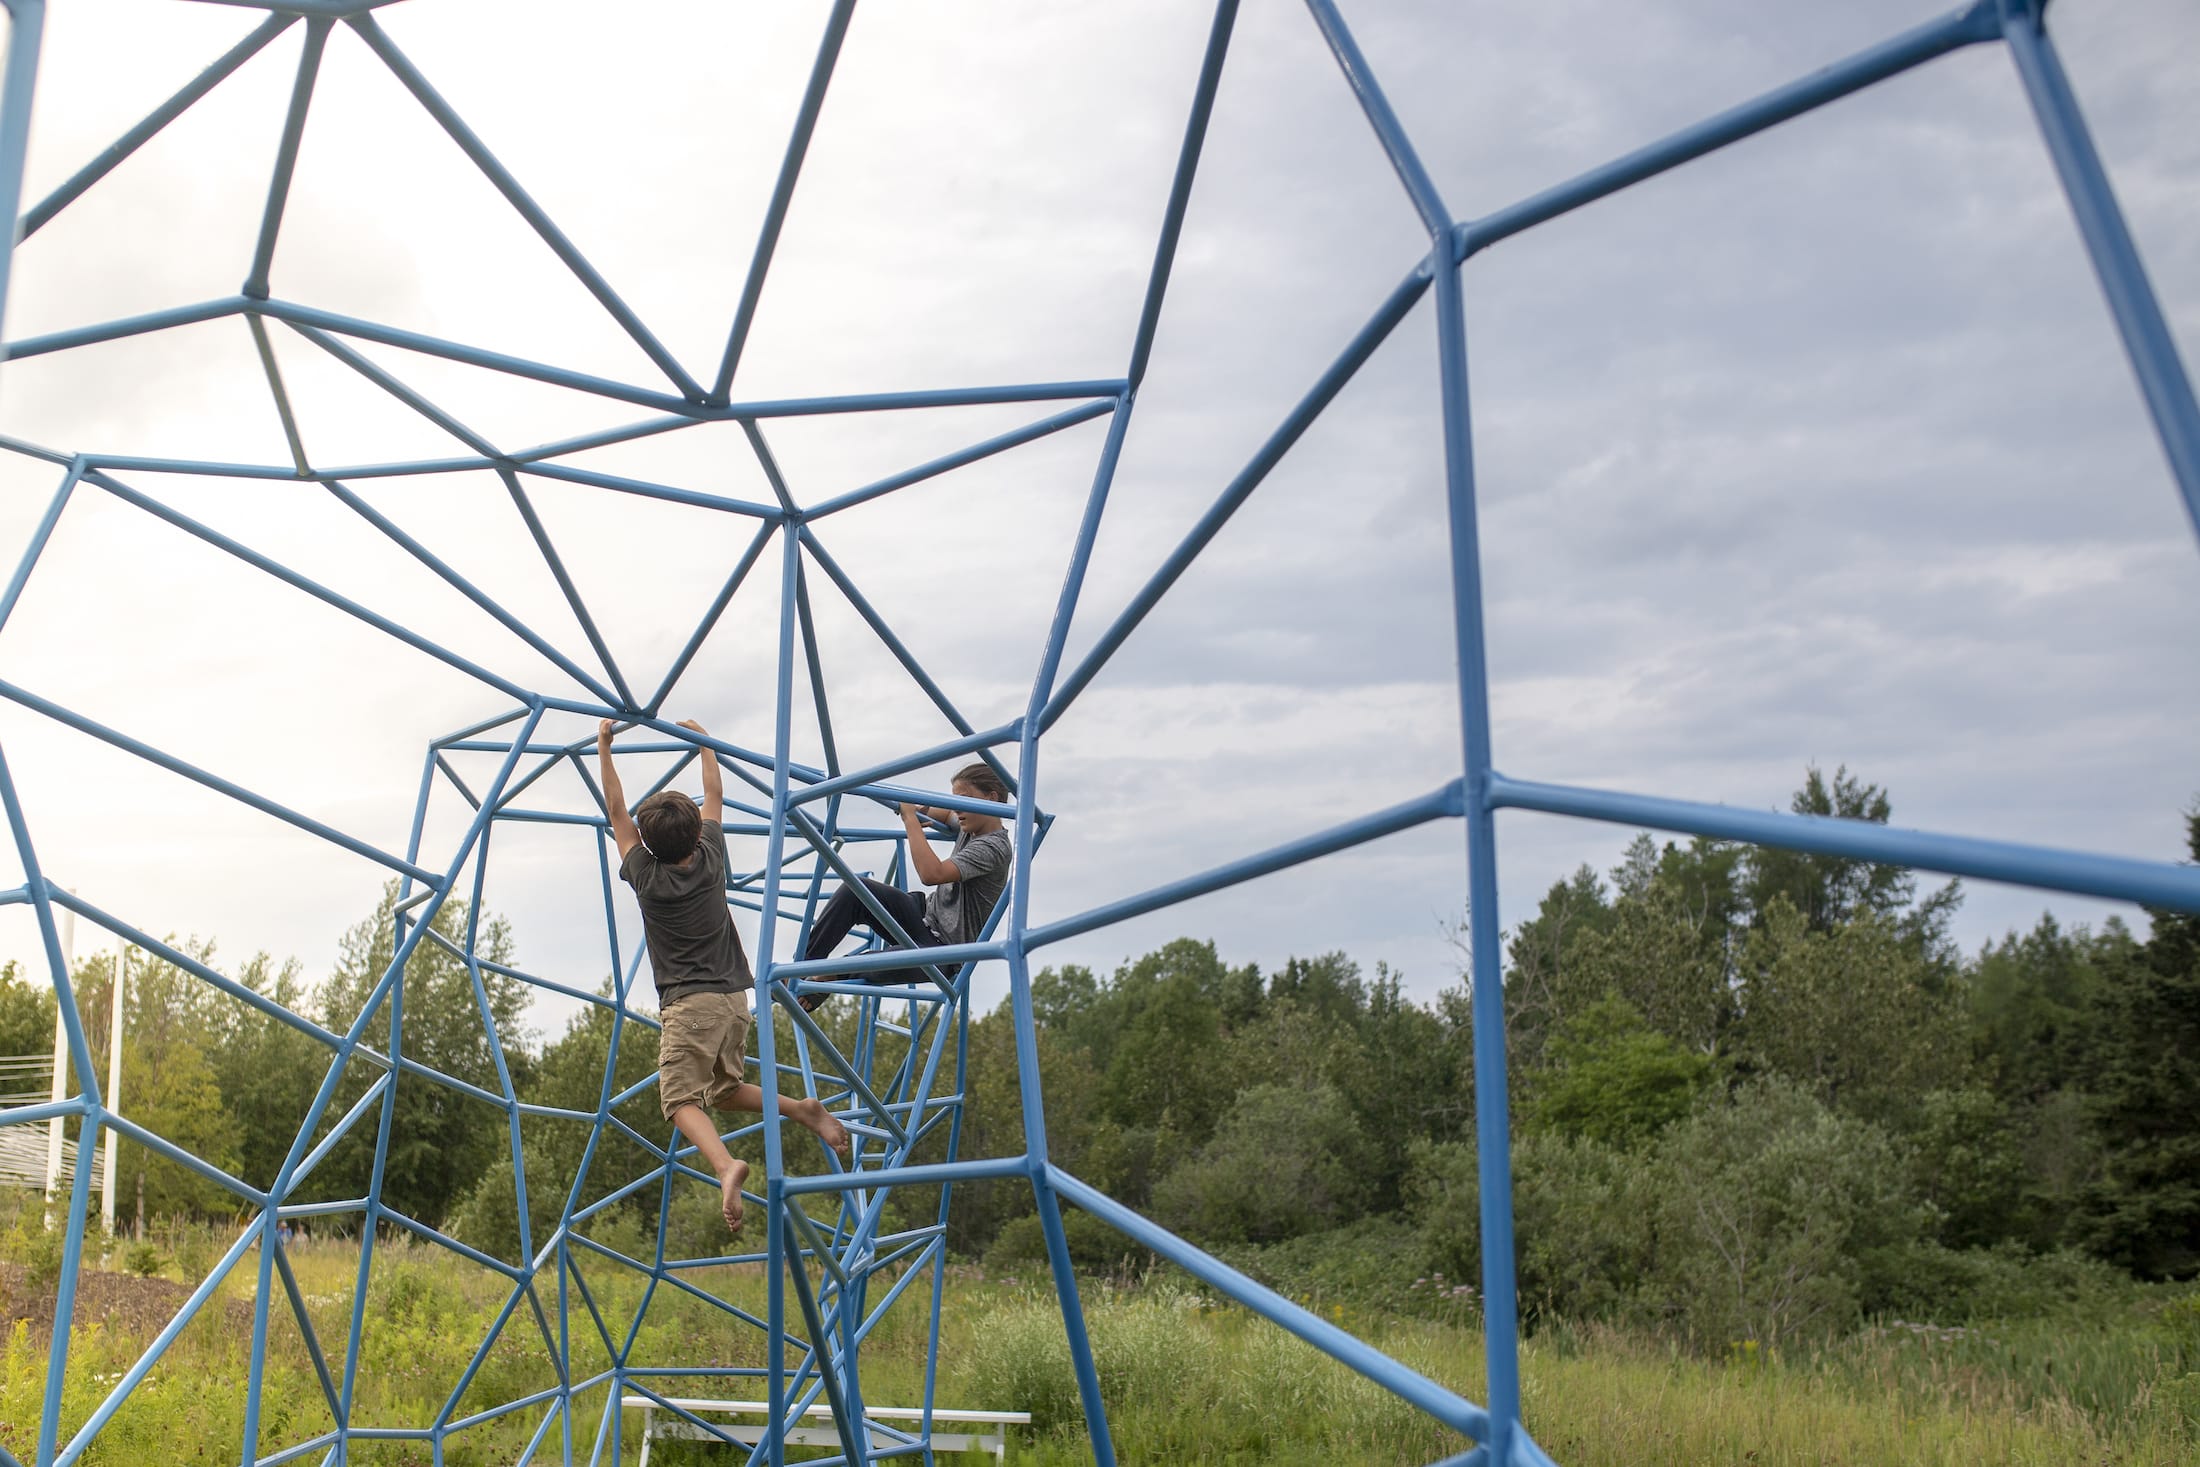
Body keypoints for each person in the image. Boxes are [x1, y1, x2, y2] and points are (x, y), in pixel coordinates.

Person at [600, 716, 849, 1233]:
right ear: (696, 833)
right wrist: (704, 744)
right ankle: (801, 1109)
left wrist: (604, 747)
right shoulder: (711, 855)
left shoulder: (645, 875)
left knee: (679, 1100)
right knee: (722, 1091)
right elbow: (714, 794)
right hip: (735, 1001)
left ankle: (724, 1165)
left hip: (690, 1006)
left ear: (647, 844)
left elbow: (617, 812)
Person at [798, 761, 1014, 1011]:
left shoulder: (994, 847)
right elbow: (945, 813)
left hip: (945, 951)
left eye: (965, 799)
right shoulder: (972, 823)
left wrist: (911, 819)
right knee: (855, 890)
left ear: (991, 798)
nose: (958, 808)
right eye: (956, 800)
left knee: (883, 962)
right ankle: (802, 967)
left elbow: (931, 874)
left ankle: (828, 976)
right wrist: (921, 810)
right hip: (922, 915)